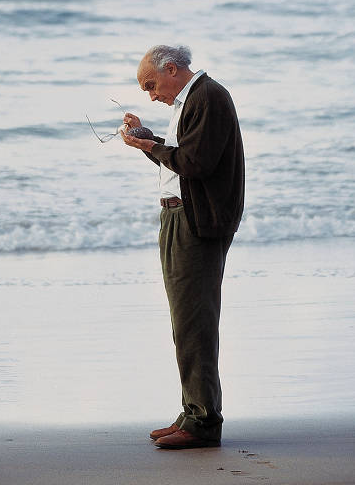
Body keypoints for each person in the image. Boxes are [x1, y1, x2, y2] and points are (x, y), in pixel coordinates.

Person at [121, 45, 245, 449]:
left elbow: (195, 164)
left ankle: (204, 422)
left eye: (151, 85)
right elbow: (182, 159)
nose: (151, 94)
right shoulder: (190, 100)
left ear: (172, 69)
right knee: (186, 321)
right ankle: (193, 413)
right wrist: (148, 139)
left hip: (196, 220)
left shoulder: (208, 96)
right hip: (180, 216)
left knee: (194, 322)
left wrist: (148, 146)